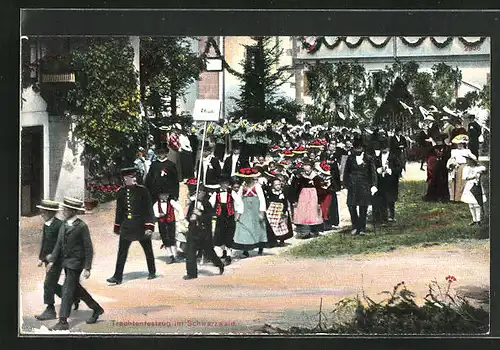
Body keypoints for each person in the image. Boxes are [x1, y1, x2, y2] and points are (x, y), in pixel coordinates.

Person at [46, 197, 104, 330]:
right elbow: (58, 244)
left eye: (66, 210)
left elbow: (88, 248)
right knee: (76, 288)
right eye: (64, 209)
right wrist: (52, 261)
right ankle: (97, 309)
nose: (63, 212)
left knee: (67, 290)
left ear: (73, 211)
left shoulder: (82, 226)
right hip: (66, 263)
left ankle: (63, 321)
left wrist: (87, 267)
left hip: (76, 263)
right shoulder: (64, 224)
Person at [107, 167, 156, 285]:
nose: (134, 179)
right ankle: (117, 277)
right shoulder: (121, 192)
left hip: (141, 225)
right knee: (122, 252)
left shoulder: (143, 191)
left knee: (148, 250)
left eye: (135, 176)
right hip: (127, 226)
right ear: (125, 179)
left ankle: (152, 271)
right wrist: (117, 226)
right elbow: (119, 211)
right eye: (131, 177)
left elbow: (149, 210)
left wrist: (149, 226)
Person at [183, 186, 225, 280]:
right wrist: (191, 217)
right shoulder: (193, 204)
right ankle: (191, 273)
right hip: (193, 230)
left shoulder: (207, 204)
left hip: (204, 232)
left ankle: (219, 264)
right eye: (197, 192)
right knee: (190, 252)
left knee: (209, 251)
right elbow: (188, 215)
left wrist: (200, 214)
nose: (199, 194)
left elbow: (210, 216)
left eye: (201, 192)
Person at [34, 200, 64, 321]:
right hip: (48, 260)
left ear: (51, 212)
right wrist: (41, 258)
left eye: (44, 211)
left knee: (48, 284)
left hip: (57, 260)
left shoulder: (59, 225)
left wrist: (52, 261)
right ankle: (71, 297)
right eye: (41, 211)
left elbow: (60, 244)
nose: (41, 213)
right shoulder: (46, 224)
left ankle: (50, 310)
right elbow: (44, 243)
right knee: (52, 283)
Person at [343, 138, 378, 236]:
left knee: (363, 207)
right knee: (351, 205)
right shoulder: (350, 158)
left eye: (359, 148)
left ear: (362, 148)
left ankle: (362, 228)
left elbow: (373, 173)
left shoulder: (369, 158)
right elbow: (346, 172)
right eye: (355, 148)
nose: (357, 151)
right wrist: (346, 184)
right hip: (352, 186)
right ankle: (355, 226)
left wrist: (374, 185)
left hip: (364, 186)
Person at [233, 168, 268, 257]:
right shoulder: (242, 186)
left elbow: (262, 199)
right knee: (245, 226)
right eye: (246, 178)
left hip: (255, 208)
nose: (247, 180)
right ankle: (246, 249)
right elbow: (238, 198)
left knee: (258, 226)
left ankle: (260, 246)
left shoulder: (257, 186)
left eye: (249, 178)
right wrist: (237, 211)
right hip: (245, 208)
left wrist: (262, 211)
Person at [209, 178, 243, 265]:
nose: (225, 185)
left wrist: (239, 214)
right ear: (220, 184)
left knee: (229, 234)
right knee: (220, 234)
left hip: (229, 216)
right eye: (223, 183)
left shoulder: (231, 192)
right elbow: (210, 204)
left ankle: (229, 255)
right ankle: (222, 252)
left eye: (226, 183)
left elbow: (240, 202)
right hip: (220, 216)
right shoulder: (216, 193)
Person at [292, 161, 324, 239]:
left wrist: (319, 201)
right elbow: (297, 188)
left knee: (313, 212)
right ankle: (305, 231)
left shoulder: (316, 177)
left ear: (311, 167)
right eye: (304, 165)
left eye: (307, 165)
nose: (306, 167)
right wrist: (296, 199)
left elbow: (319, 189)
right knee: (304, 212)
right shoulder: (301, 177)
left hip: (313, 196)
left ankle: (314, 230)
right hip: (303, 196)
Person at [373, 140, 403, 223]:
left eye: (385, 148)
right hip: (381, 180)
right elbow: (374, 167)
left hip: (391, 181)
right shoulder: (377, 157)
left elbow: (399, 168)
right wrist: (378, 170)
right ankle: (384, 217)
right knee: (382, 199)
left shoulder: (394, 157)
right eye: (382, 149)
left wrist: (391, 171)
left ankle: (392, 215)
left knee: (391, 199)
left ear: (388, 148)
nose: (384, 150)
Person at [153, 191, 187, 264]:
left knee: (172, 237)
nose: (166, 196)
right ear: (159, 195)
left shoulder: (171, 202)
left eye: (167, 194)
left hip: (171, 222)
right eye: (164, 194)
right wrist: (159, 215)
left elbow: (179, 208)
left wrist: (181, 218)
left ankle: (175, 255)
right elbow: (155, 213)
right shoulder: (156, 204)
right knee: (165, 239)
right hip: (162, 223)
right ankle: (170, 255)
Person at [265, 177, 294, 247]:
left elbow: (285, 202)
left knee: (282, 225)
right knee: (273, 225)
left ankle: (281, 240)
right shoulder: (271, 191)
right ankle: (273, 241)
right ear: (272, 185)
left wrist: (285, 210)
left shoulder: (283, 192)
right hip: (273, 209)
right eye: (275, 185)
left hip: (281, 210)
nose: (278, 186)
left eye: (279, 184)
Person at [461, 154, 487, 226]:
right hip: (469, 186)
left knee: (476, 203)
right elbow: (465, 178)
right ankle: (474, 219)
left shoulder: (478, 168)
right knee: (471, 204)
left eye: (468, 160)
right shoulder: (466, 168)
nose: (467, 161)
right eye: (466, 160)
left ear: (472, 161)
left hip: (477, 186)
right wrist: (473, 176)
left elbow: (484, 168)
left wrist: (479, 171)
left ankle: (478, 220)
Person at [424, 134, 451, 202]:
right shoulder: (433, 149)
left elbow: (449, 156)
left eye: (440, 140)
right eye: (437, 141)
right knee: (435, 180)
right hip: (436, 167)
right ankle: (434, 196)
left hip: (444, 166)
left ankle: (443, 196)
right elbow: (429, 158)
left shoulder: (447, 148)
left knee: (444, 181)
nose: (439, 142)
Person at [447, 135, 474, 202]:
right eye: (458, 144)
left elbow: (474, 157)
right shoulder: (454, 151)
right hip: (455, 166)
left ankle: (459, 198)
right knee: (452, 182)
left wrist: (470, 157)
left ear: (464, 144)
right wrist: (452, 164)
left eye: (461, 144)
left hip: (464, 166)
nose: (459, 145)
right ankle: (453, 197)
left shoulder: (467, 151)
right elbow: (452, 158)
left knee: (462, 181)